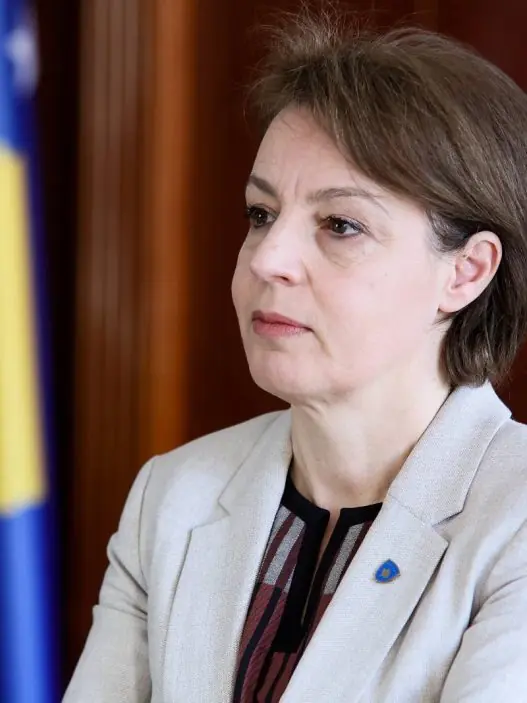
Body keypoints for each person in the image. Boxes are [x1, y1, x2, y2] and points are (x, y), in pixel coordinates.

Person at [64, 11, 527, 703]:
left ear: (465, 272)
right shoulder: (173, 494)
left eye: (340, 224)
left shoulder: (514, 516)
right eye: (261, 214)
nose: (268, 258)